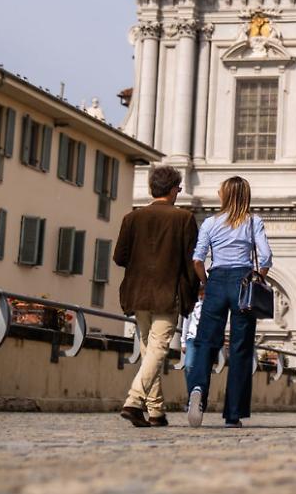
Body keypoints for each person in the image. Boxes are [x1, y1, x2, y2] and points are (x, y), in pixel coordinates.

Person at [113, 166, 199, 428]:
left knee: (149, 350)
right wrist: (193, 292)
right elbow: (190, 261)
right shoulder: (184, 219)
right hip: (166, 293)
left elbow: (119, 257)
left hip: (138, 293)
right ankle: (133, 401)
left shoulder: (131, 218)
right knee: (158, 350)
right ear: (173, 190)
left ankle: (157, 411)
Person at [185, 176, 272, 428]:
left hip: (216, 281)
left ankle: (198, 387)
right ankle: (233, 414)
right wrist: (256, 280)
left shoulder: (210, 223)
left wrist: (205, 283)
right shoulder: (253, 221)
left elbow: (198, 259)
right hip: (243, 282)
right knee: (240, 348)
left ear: (224, 195)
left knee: (205, 341)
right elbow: (265, 257)